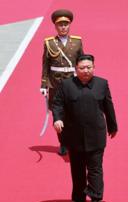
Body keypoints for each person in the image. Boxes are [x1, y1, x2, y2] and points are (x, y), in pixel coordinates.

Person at [52, 54, 118, 202]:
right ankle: (79, 196)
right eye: (82, 68)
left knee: (95, 168)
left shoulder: (102, 84)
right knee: (77, 168)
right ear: (76, 69)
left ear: (94, 68)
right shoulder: (66, 85)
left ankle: (96, 198)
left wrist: (112, 126)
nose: (86, 71)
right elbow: (58, 104)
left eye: (89, 67)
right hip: (74, 135)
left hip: (96, 134)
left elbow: (108, 105)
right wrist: (57, 119)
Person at [40, 9, 84, 156]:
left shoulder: (77, 42)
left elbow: (82, 62)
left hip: (73, 83)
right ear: (56, 27)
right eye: (60, 25)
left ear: (69, 25)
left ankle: (74, 141)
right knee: (58, 114)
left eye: (66, 24)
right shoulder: (49, 43)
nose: (63, 27)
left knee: (75, 114)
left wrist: (85, 80)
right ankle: (63, 143)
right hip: (55, 84)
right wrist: (44, 84)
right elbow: (45, 65)